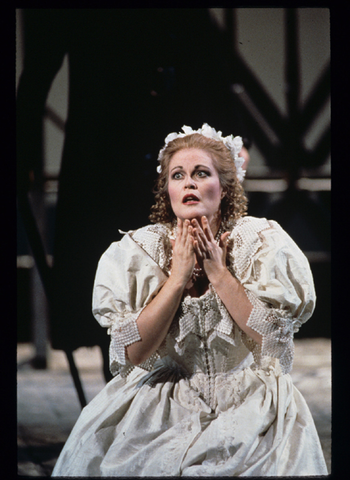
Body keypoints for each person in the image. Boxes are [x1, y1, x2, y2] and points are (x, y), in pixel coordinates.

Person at [52, 124, 327, 476]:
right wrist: (178, 278)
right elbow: (135, 355)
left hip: (247, 399)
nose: (189, 183)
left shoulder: (256, 242)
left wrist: (220, 275)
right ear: (167, 189)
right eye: (178, 175)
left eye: (201, 173)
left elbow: (273, 339)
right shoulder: (142, 251)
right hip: (166, 399)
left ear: (225, 188)